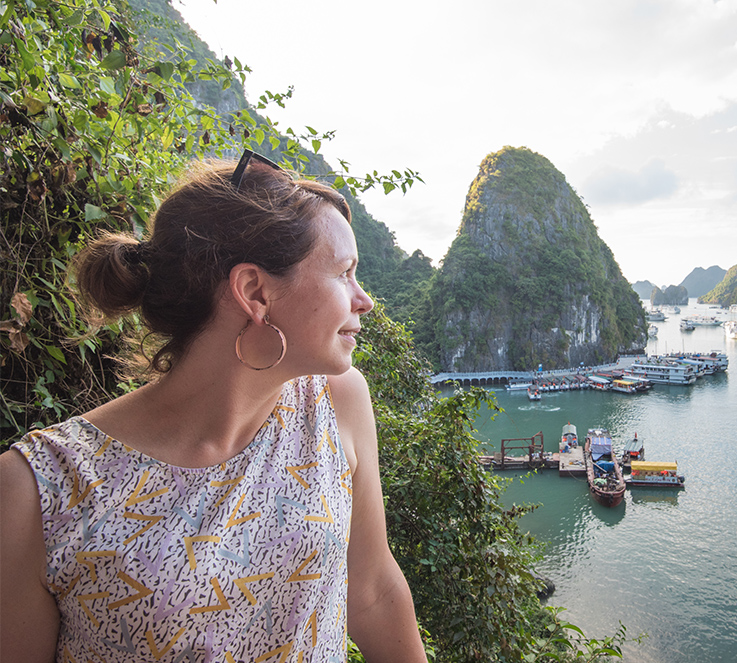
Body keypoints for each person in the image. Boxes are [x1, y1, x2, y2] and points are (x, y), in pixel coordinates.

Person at [0, 152, 428, 662]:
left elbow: (374, 591)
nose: (365, 300)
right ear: (255, 291)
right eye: (345, 274)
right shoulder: (41, 487)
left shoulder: (337, 403)